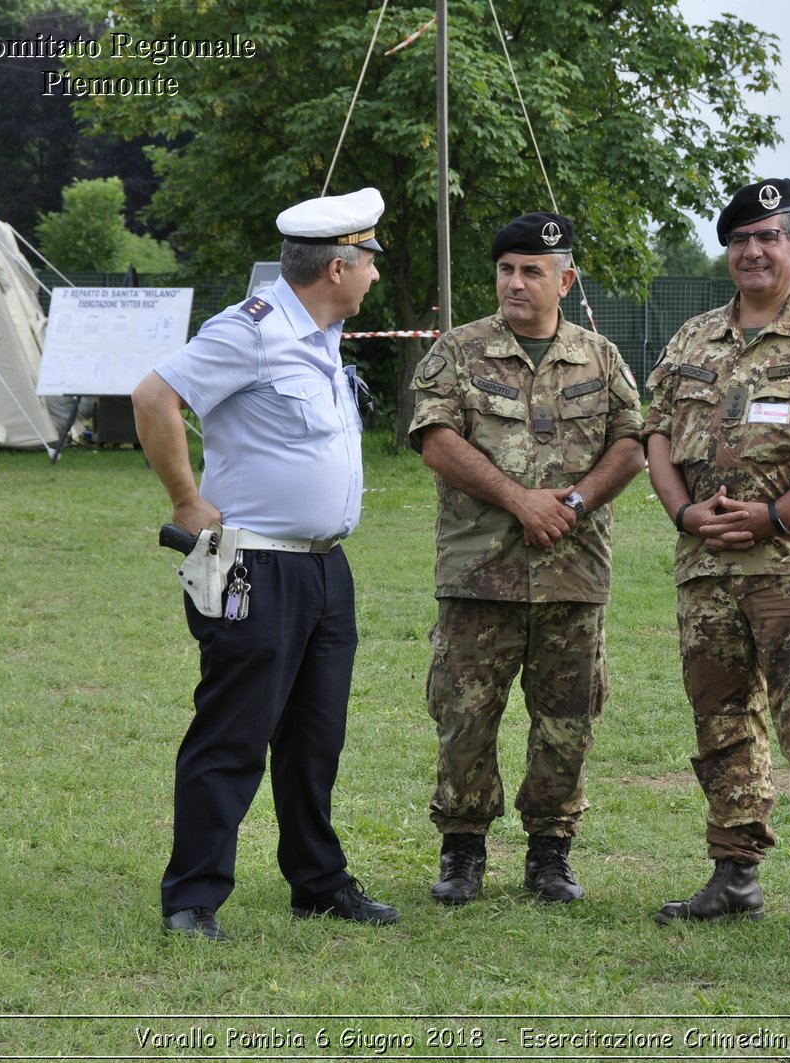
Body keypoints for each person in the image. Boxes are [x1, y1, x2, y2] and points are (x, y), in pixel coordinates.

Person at [131, 187, 397, 941]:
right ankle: (192, 896)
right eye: (370, 258)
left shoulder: (321, 332)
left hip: (322, 567)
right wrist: (187, 502)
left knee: (316, 737)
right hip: (256, 565)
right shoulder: (250, 330)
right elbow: (154, 397)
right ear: (338, 266)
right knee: (234, 733)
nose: (376, 273)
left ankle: (317, 880)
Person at [642, 179, 790, 941]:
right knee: (721, 723)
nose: (753, 251)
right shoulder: (692, 339)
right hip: (706, 569)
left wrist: (776, 514)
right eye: (740, 240)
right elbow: (656, 437)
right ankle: (735, 872)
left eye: (768, 237)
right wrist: (683, 511)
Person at [407, 211, 645, 907]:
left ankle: (550, 850)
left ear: (565, 279)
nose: (515, 281)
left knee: (568, 717)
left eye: (532, 271)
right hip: (481, 572)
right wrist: (520, 501)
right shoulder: (459, 350)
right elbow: (435, 440)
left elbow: (632, 441)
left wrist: (570, 503)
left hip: (573, 571)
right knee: (464, 715)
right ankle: (462, 847)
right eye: (507, 269)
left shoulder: (600, 357)